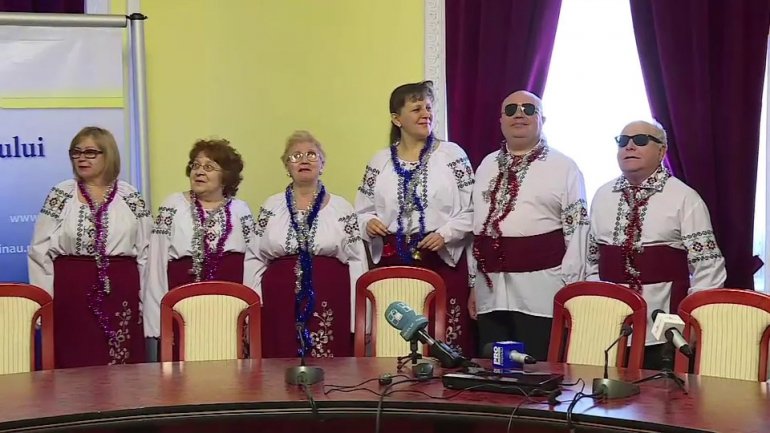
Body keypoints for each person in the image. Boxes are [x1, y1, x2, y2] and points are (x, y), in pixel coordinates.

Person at [587, 120, 726, 370]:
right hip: (608, 330)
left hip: (663, 333)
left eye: (640, 140)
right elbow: (590, 261)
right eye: (623, 141)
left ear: (662, 151)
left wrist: (693, 321)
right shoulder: (601, 195)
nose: (629, 146)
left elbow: (709, 267)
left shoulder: (684, 198)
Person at [355, 80, 476, 356]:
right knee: (395, 338)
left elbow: (473, 209)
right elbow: (361, 211)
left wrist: (445, 233)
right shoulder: (379, 160)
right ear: (396, 119)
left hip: (442, 260)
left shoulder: (451, 155)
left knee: (444, 336)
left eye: (429, 107)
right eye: (416, 108)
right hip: (392, 259)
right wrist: (368, 223)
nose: (426, 114)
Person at [468, 90, 588, 361]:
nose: (519, 114)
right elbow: (477, 231)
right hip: (492, 292)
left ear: (542, 119)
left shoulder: (564, 167)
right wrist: (474, 286)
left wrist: (571, 288)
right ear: (500, 120)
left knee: (539, 369)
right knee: (494, 369)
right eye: (510, 110)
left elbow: (578, 231)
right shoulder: (486, 165)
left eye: (528, 109)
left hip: (542, 292)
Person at [28, 126, 151, 368]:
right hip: (71, 291)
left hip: (120, 290)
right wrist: (44, 301)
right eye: (76, 152)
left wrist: (146, 302)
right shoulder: (61, 193)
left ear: (108, 155)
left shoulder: (130, 196)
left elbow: (146, 250)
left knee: (121, 362)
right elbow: (39, 249)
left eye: (90, 152)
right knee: (75, 358)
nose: (82, 158)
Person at [255, 130, 367, 358]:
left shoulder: (342, 208)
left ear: (323, 164)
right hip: (279, 300)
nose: (303, 160)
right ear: (287, 166)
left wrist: (360, 316)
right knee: (280, 361)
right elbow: (255, 257)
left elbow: (357, 261)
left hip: (331, 296)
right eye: (295, 156)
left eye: (311, 155)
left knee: (329, 362)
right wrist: (254, 307)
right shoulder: (271, 206)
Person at [145, 138, 260, 359]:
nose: (199, 172)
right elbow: (156, 265)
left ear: (226, 175)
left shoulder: (240, 210)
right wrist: (158, 319)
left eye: (209, 167)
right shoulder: (173, 206)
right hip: (183, 310)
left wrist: (249, 316)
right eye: (195, 165)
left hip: (228, 311)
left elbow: (252, 264)